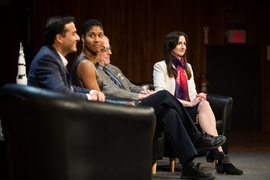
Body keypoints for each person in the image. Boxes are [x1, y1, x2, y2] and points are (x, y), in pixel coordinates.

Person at [71, 20, 226, 180]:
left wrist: (143, 92)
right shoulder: (89, 66)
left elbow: (130, 86)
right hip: (124, 107)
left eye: (109, 48)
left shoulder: (112, 68)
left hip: (136, 104)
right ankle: (196, 136)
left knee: (169, 113)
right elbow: (107, 91)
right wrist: (139, 96)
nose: (110, 52)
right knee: (164, 95)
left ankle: (188, 166)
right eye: (106, 49)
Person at [153, 31, 243, 175]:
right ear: (171, 46)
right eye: (180, 43)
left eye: (185, 44)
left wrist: (198, 98)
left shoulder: (187, 67)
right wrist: (189, 104)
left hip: (188, 106)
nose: (183, 47)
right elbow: (162, 94)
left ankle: (217, 152)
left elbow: (192, 94)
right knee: (198, 105)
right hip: (174, 109)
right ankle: (221, 158)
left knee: (204, 103)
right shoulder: (160, 66)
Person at [28, 16, 105, 102]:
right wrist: (90, 97)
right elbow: (60, 92)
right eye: (73, 34)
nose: (78, 38)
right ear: (59, 38)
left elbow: (69, 88)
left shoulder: (52, 56)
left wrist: (92, 92)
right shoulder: (46, 59)